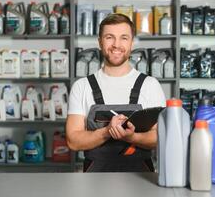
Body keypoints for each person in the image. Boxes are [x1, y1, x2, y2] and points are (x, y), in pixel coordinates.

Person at [66, 13, 166, 172]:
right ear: (100, 42)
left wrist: (132, 137)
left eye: (124, 38)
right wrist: (107, 132)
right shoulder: (82, 86)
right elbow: (73, 141)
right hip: (94, 181)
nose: (116, 44)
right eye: (109, 37)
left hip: (140, 181)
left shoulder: (150, 85)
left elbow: (160, 137)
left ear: (132, 43)